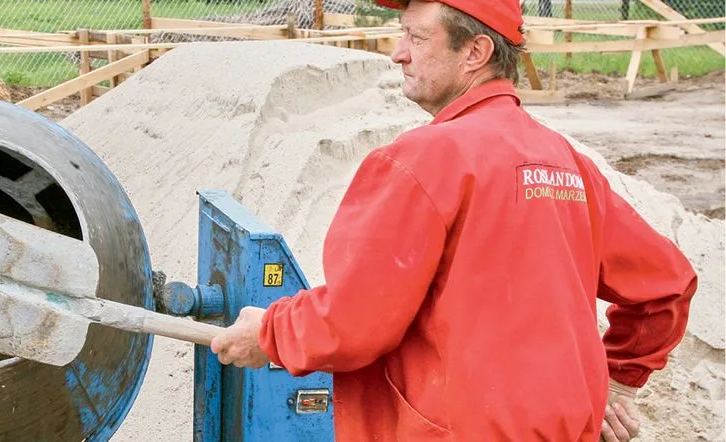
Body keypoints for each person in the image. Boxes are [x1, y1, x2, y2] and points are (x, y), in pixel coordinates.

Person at [208, 1, 698, 441]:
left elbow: (355, 323)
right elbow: (666, 285)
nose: (399, 54)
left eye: (416, 38)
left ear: (475, 52)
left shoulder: (423, 160)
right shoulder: (566, 162)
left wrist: (270, 333)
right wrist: (615, 383)